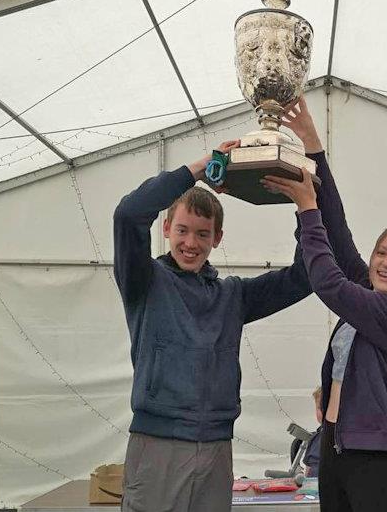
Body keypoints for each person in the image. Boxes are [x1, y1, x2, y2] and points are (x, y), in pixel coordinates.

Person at [112, 139, 315, 512]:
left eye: (203, 234)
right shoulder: (143, 281)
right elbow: (128, 215)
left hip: (218, 448)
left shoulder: (232, 297)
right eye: (183, 231)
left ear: (217, 238)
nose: (191, 243)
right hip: (158, 444)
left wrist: (304, 206)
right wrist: (199, 170)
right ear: (166, 228)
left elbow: (304, 277)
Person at [262, 97, 387, 512]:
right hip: (336, 444)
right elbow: (338, 233)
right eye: (381, 252)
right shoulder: (368, 298)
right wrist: (312, 146)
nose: (386, 263)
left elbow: (329, 284)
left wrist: (307, 209)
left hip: (376, 457)